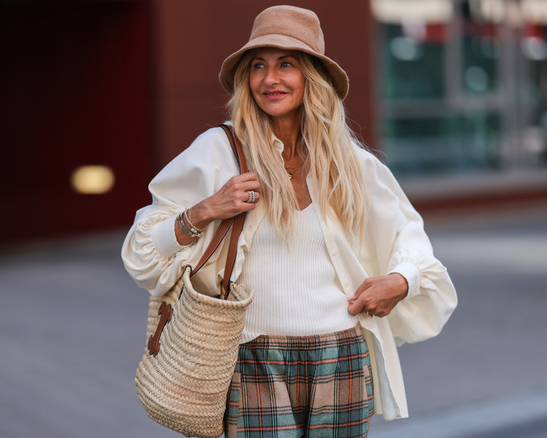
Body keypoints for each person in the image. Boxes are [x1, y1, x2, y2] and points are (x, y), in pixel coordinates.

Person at [122, 5, 457, 437]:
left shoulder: (351, 163)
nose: (269, 79)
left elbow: (411, 240)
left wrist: (403, 280)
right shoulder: (218, 151)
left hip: (343, 353)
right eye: (258, 66)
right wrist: (205, 209)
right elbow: (141, 253)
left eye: (286, 65)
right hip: (253, 356)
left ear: (312, 78)